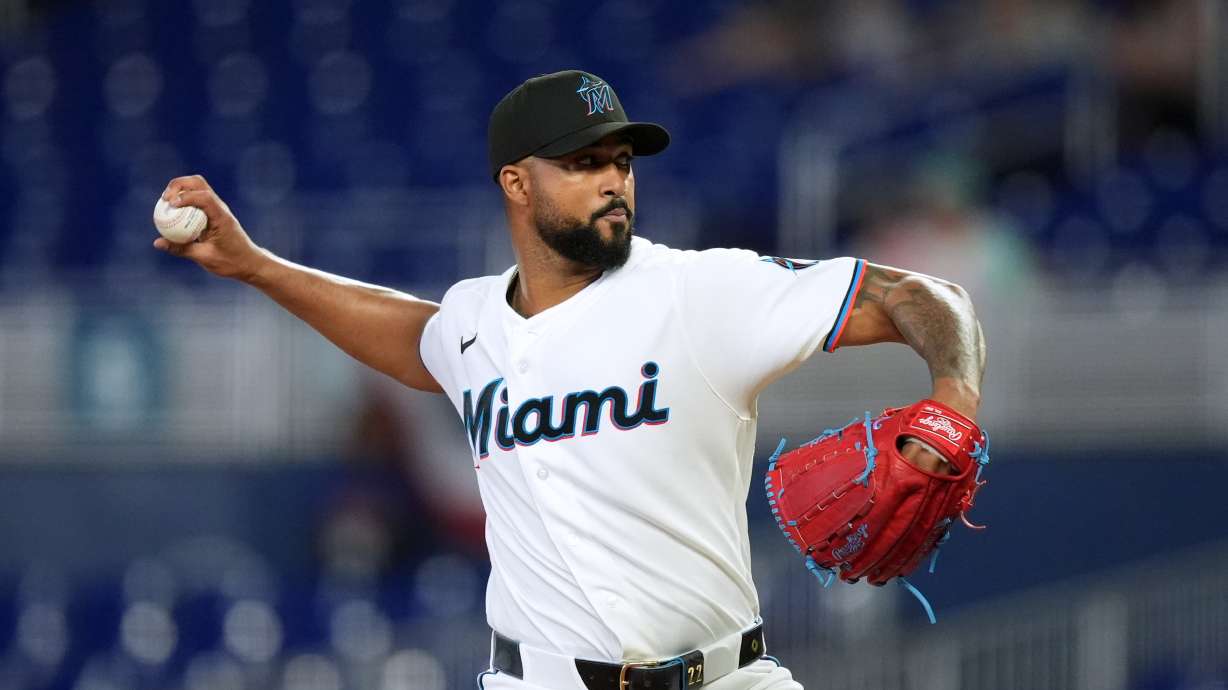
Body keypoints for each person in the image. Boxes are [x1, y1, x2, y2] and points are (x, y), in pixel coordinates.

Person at [154, 70, 986, 690]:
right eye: (584, 161)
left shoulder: (700, 291)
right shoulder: (472, 321)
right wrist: (256, 266)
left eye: (622, 160)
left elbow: (921, 294)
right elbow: (415, 336)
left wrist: (954, 398)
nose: (614, 179)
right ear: (517, 183)